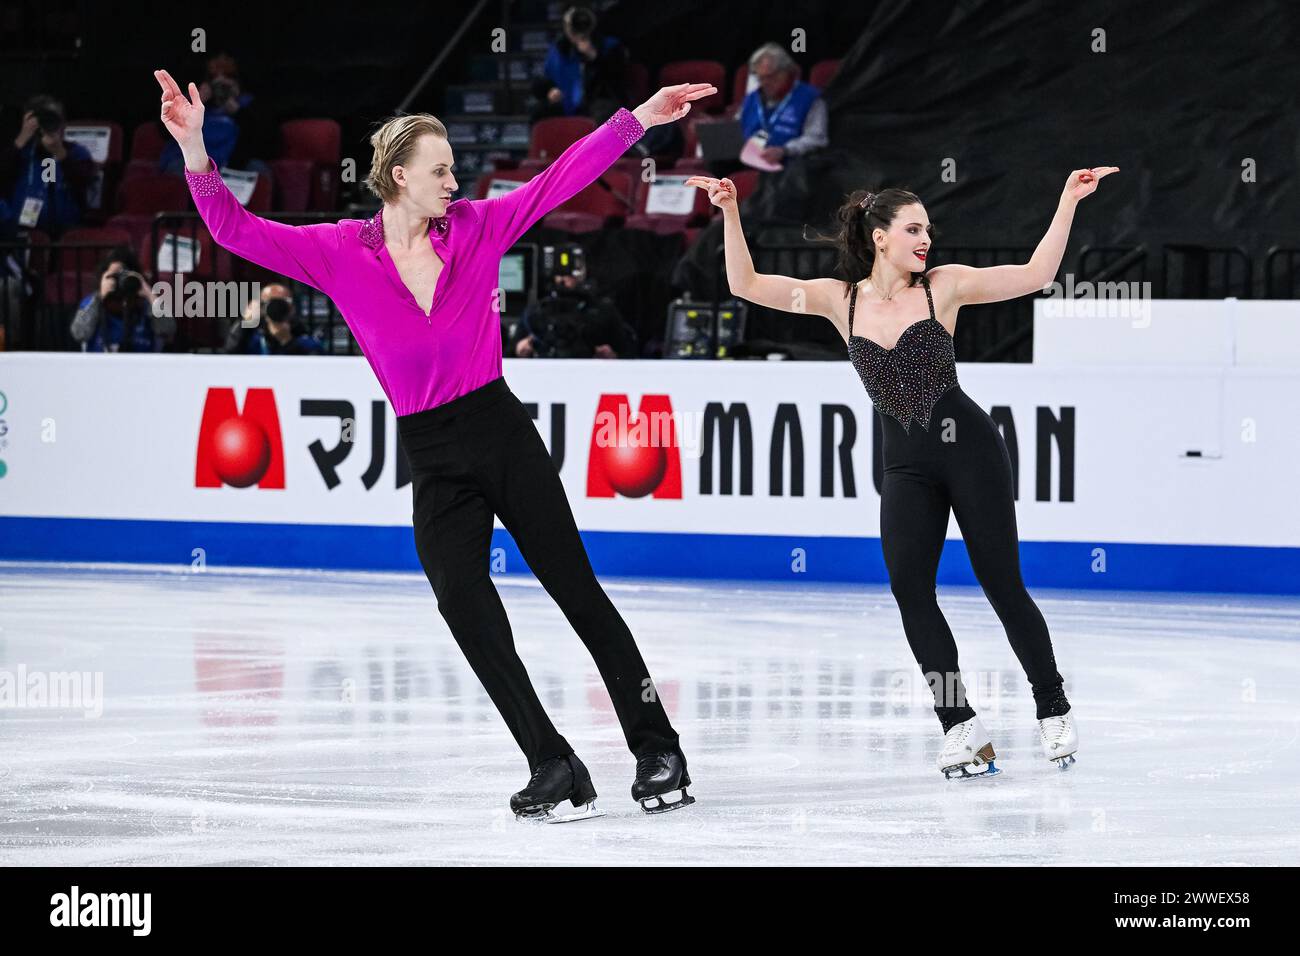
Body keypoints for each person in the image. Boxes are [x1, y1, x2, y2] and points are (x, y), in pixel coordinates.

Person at [156, 67, 715, 819]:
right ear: (397, 178)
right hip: (432, 454)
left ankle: (656, 747)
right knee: (462, 603)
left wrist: (639, 119)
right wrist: (194, 148)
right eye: (442, 169)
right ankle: (552, 761)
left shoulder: (480, 227)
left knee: (576, 589)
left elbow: (557, 178)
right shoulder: (339, 251)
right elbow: (236, 231)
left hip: (501, 431)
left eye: (454, 168)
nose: (456, 180)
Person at [688, 166, 1118, 778]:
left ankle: (1052, 705)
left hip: (969, 449)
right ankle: (960, 724)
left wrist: (1068, 199)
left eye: (929, 229)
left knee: (1002, 585)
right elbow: (746, 283)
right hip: (905, 466)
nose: (927, 240)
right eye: (914, 229)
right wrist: (730, 211)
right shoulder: (843, 300)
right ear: (880, 236)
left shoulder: (943, 287)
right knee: (910, 590)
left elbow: (1036, 276)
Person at [0, 94, 96, 239]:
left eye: (53, 118)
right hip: (22, 233)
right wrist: (21, 139)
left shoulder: (75, 152)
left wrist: (60, 152)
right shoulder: (20, 152)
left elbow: (84, 182)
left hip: (66, 232)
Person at [531, 5, 629, 124]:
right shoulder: (559, 49)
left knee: (611, 115)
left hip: (601, 101)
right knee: (538, 112)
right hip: (565, 102)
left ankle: (633, 142)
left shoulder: (610, 46)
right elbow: (541, 80)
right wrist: (550, 90)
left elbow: (618, 79)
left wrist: (593, 56)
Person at [69, 247, 175, 353]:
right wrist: (100, 297)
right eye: (113, 276)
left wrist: (149, 293)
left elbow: (168, 329)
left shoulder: (145, 303)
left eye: (123, 276)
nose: (118, 281)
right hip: (100, 367)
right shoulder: (92, 301)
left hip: (141, 366)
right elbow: (79, 334)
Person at [738, 43, 828, 165]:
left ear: (786, 73)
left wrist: (784, 150)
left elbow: (816, 139)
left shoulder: (809, 98)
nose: (764, 83)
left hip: (791, 166)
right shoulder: (753, 97)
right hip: (748, 161)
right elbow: (737, 126)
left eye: (770, 77)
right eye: (761, 78)